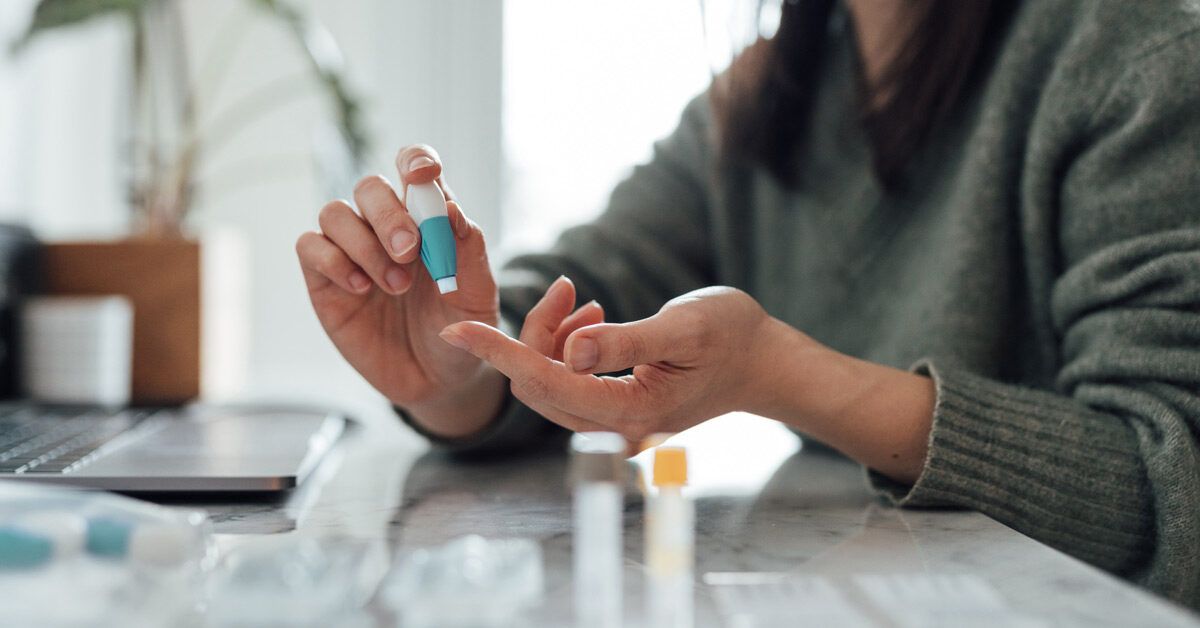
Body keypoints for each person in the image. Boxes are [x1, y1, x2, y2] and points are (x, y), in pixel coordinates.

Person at [295, 0, 1200, 609]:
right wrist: (458, 368)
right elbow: (588, 281)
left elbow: (1174, 483)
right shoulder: (766, 92)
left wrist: (781, 375)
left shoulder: (1133, 56)